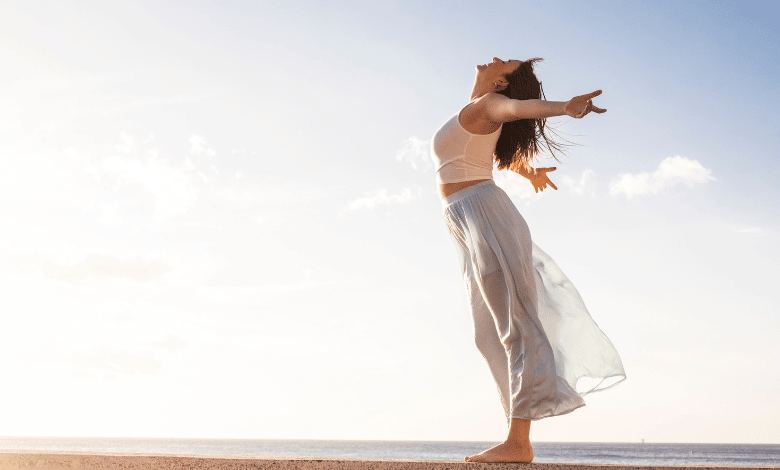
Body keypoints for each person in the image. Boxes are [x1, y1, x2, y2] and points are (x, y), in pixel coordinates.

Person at [431, 57, 626, 463]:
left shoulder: (489, 103)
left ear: (500, 81)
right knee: (486, 334)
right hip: (464, 217)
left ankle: (519, 442)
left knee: (516, 322)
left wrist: (565, 107)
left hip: (483, 211)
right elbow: (488, 148)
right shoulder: (477, 111)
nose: (496, 58)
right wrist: (529, 172)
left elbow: (518, 108)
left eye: (506, 63)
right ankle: (513, 434)